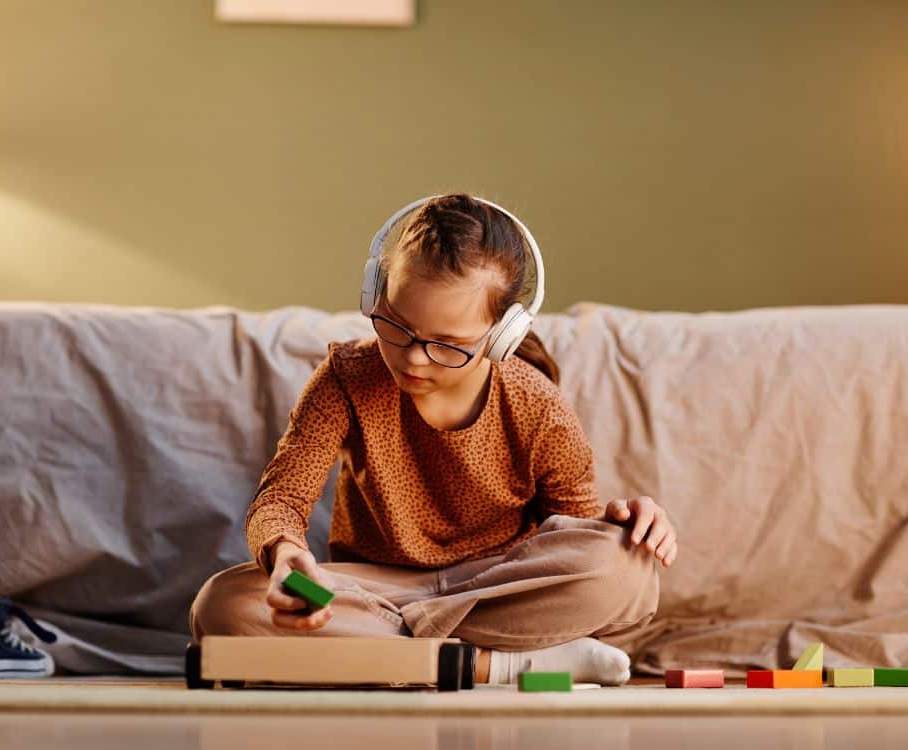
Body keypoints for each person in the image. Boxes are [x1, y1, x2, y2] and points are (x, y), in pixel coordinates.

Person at [189, 193, 678, 686]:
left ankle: (384, 656)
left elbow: (569, 532)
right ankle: (500, 665)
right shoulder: (345, 378)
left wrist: (617, 526)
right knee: (223, 604)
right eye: (396, 327)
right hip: (377, 593)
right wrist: (284, 553)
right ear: (375, 294)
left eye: (447, 345)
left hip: (496, 586)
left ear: (500, 334)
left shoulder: (536, 404)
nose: (414, 359)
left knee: (627, 569)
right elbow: (283, 497)